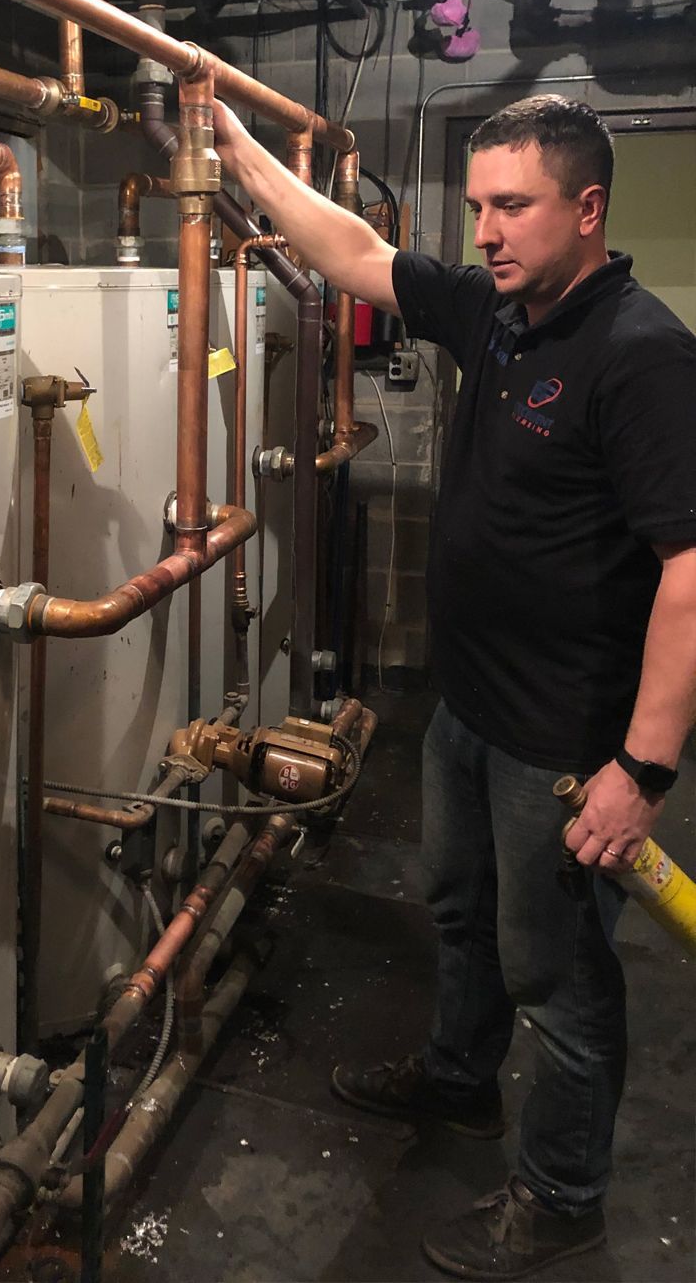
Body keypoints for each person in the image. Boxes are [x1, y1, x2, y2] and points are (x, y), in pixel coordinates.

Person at [212, 93, 696, 1280]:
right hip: (467, 708)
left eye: (510, 205)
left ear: (585, 209)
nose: (483, 229)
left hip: (565, 740)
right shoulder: (495, 310)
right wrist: (236, 149)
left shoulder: (639, 356)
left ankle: (563, 1190)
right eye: (475, 205)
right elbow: (356, 251)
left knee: (560, 974)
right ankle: (457, 1078)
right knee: (458, 912)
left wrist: (638, 771)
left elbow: (690, 573)